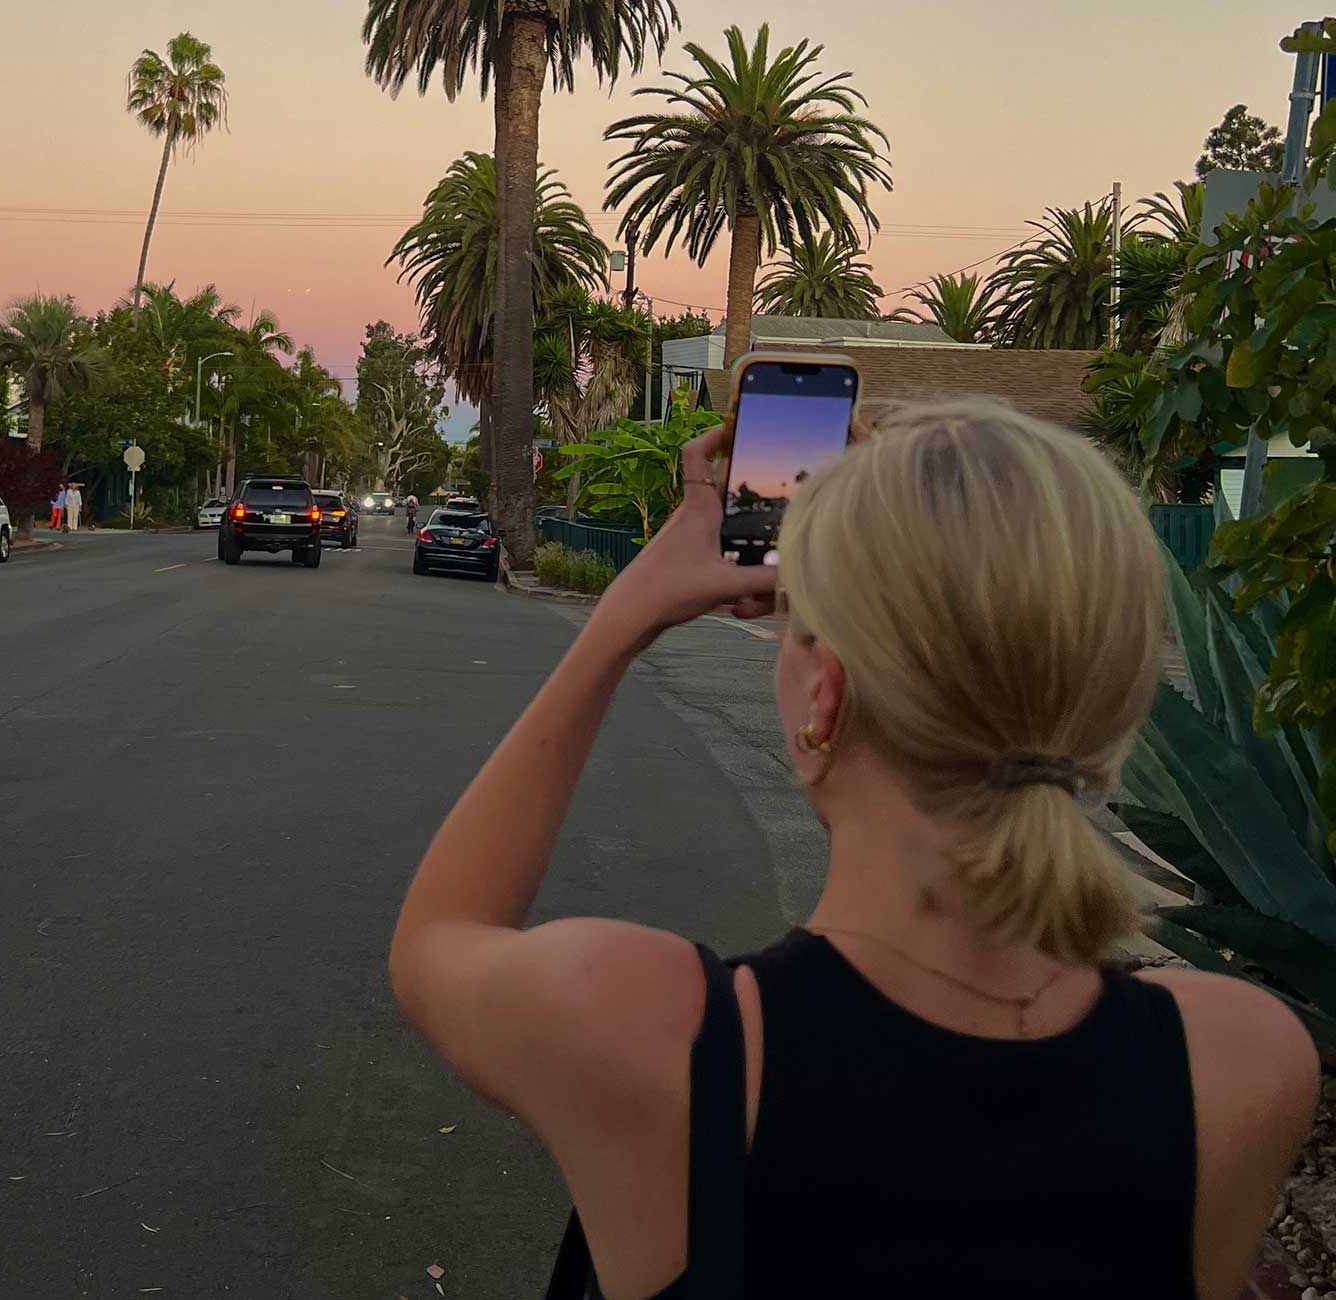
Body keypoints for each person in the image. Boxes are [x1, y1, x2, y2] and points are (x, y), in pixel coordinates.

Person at [388, 400, 1317, 1300]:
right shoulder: (1242, 1064)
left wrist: (619, 622)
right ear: (1109, 710)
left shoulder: (658, 1039)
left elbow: (438, 938)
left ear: (823, 696)